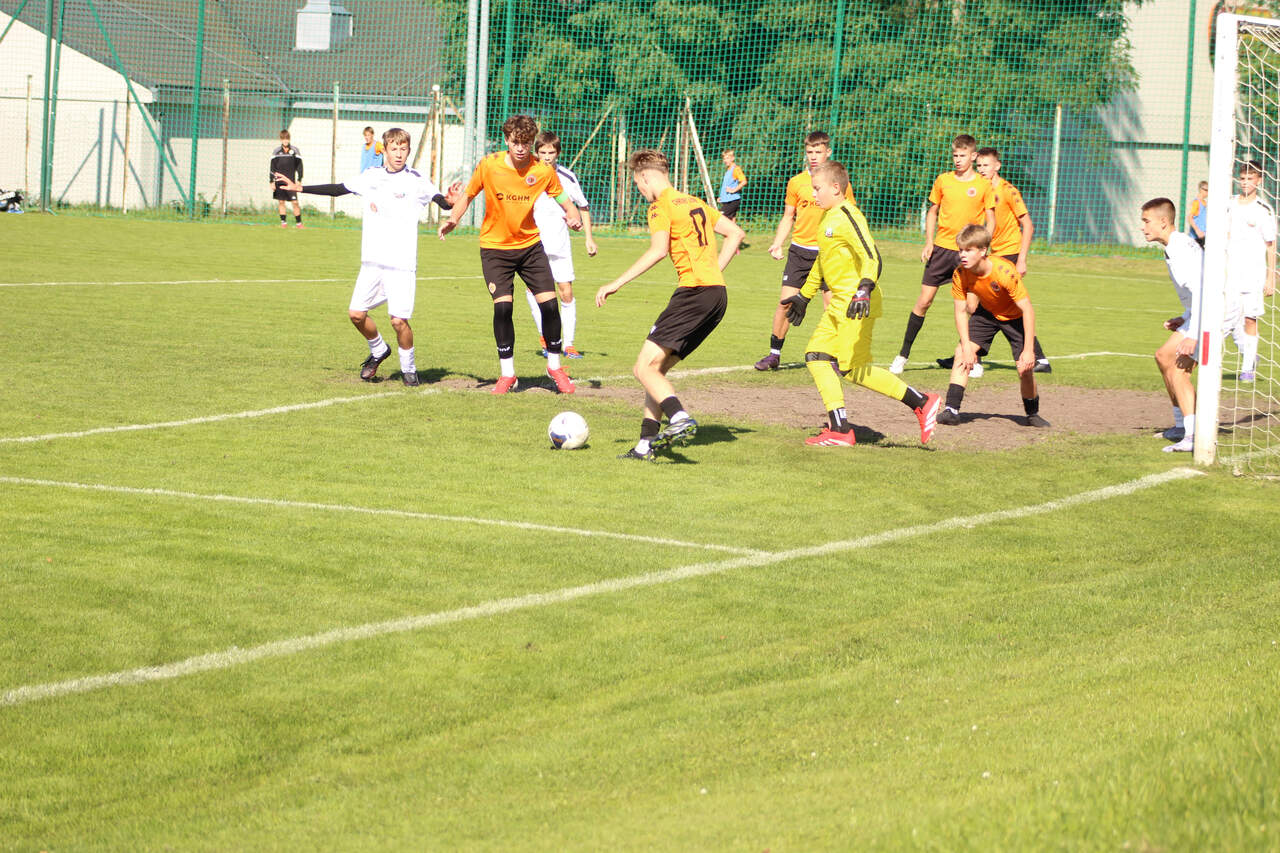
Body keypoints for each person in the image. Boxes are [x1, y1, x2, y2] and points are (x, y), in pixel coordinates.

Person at [273, 128, 461, 387]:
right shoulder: (372, 176)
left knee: (398, 321)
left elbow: (442, 201)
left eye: (403, 149)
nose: (399, 154)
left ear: (408, 150)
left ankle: (409, 370)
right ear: (385, 150)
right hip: (372, 263)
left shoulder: (416, 180)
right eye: (394, 149)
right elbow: (338, 189)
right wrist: (300, 187)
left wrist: (451, 202)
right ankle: (379, 349)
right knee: (356, 314)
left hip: (401, 264)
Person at [595, 149, 745, 460]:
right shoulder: (694, 201)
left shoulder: (660, 206)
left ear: (645, 177)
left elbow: (658, 250)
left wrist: (615, 283)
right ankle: (645, 445)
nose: (640, 190)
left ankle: (679, 417)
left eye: (638, 184)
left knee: (642, 368)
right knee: (656, 370)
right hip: (716, 296)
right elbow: (735, 233)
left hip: (694, 293)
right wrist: (715, 271)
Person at [778, 161, 941, 447]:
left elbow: (872, 255)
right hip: (838, 305)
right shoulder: (826, 218)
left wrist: (864, 288)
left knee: (852, 368)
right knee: (816, 356)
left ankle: (922, 402)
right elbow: (822, 262)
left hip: (856, 304)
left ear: (835, 188)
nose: (813, 194)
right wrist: (804, 295)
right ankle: (840, 429)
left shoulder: (848, 215)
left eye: (817, 188)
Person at [439, 115, 581, 394]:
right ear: (507, 140)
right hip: (495, 249)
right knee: (503, 308)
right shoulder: (489, 165)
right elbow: (468, 195)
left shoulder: (542, 170)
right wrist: (454, 219)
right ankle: (507, 375)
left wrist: (573, 216)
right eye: (515, 142)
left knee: (550, 306)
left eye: (526, 142)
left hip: (530, 247)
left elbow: (565, 200)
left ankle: (555, 367)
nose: (520, 148)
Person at [937, 146, 1051, 373]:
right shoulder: (980, 189)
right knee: (976, 305)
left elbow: (1028, 225)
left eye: (986, 165)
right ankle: (969, 353)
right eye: (979, 165)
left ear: (997, 166)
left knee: (1004, 307)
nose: (982, 169)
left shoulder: (1008, 190)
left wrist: (1022, 259)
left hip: (1008, 253)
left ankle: (976, 356)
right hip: (989, 254)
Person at [890, 133, 995, 375]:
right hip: (941, 250)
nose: (958, 159)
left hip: (967, 253)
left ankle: (974, 358)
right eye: (955, 155)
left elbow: (991, 219)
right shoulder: (943, 180)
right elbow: (932, 212)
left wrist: (982, 246)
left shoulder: (983, 185)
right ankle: (902, 356)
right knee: (923, 302)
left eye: (963, 155)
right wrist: (929, 242)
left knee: (971, 306)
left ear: (973, 156)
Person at [753, 131, 854, 371]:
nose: (813, 156)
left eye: (818, 151)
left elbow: (849, 216)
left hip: (829, 253)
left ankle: (835, 356)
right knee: (786, 303)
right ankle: (774, 354)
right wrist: (778, 242)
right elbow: (788, 216)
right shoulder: (797, 182)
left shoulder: (839, 183)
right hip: (800, 252)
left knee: (831, 306)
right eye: (810, 152)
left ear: (828, 152)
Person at [934, 224, 1048, 428]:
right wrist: (967, 347)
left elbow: (1027, 310)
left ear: (983, 251)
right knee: (961, 353)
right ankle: (951, 410)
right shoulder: (960, 273)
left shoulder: (1004, 271)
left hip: (1014, 317)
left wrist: (1029, 350)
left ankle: (1032, 414)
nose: (962, 255)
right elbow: (960, 311)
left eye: (968, 250)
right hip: (986, 314)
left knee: (1024, 369)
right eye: (960, 250)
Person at [524, 130, 597, 359]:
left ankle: (569, 344)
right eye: (543, 152)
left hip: (560, 244)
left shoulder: (567, 177)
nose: (547, 157)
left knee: (566, 292)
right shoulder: (528, 176)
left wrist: (588, 237)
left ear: (558, 153)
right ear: (536, 153)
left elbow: (583, 207)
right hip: (534, 244)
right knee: (535, 291)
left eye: (551, 153)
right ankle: (544, 337)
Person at [1141, 197, 1202, 453]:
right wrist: (1184, 317)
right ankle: (1180, 426)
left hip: (1214, 314)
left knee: (1179, 370)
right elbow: (1197, 291)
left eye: (1147, 221)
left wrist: (1193, 334)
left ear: (1164, 222)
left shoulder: (1180, 249)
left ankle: (1192, 435)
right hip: (1200, 311)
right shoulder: (1175, 245)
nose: (1143, 227)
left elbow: (1203, 291)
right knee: (1164, 356)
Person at [1225, 160, 1276, 382]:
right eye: (1243, 178)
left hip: (1253, 274)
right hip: (1229, 272)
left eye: (1250, 179)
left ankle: (1248, 369)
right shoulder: (1229, 204)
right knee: (1226, 319)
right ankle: (1245, 355)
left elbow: (1271, 246)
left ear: (1259, 181)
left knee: (1250, 319)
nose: (1245, 182)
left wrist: (1271, 277)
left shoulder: (1263, 210)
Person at [269, 130, 304, 228]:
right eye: (284, 139)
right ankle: (283, 223)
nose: (285, 141)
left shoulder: (295, 151)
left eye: (287, 139)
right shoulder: (276, 151)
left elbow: (300, 166)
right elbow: (272, 168)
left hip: (291, 182)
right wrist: (271, 181)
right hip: (279, 181)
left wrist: (299, 179)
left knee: (295, 202)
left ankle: (299, 223)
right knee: (281, 201)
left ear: (289, 139)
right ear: (281, 139)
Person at [717, 149, 747, 221]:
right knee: (731, 221)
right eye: (724, 159)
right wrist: (722, 197)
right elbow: (727, 185)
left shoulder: (736, 169)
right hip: (727, 200)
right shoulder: (728, 170)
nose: (725, 160)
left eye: (727, 158)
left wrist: (733, 190)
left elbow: (744, 181)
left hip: (733, 201)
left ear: (733, 158)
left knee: (719, 217)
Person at [1187, 179, 1208, 247]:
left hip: (1203, 235)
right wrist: (1197, 230)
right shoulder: (1196, 202)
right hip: (1196, 237)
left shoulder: (1204, 203)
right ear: (1201, 190)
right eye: (1206, 190)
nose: (1208, 193)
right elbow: (1190, 218)